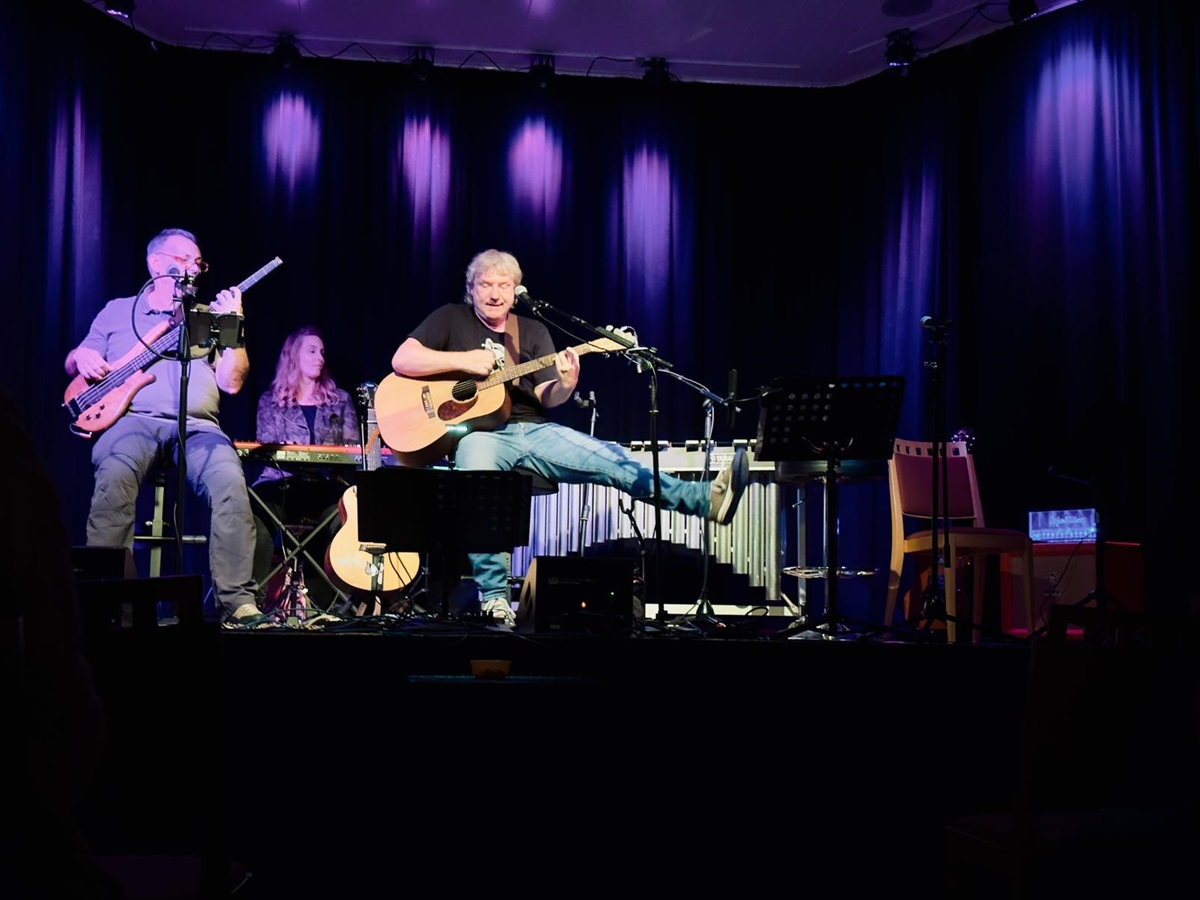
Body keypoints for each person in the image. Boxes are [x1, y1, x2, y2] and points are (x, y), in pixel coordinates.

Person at [390, 248, 749, 626]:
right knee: (482, 484)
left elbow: (548, 396)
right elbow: (403, 360)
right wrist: (464, 361)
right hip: (482, 434)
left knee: (612, 460)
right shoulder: (450, 318)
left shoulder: (532, 330)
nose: (495, 293)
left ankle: (705, 499)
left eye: (504, 285)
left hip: (535, 430)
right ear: (471, 289)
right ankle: (495, 599)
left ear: (516, 291)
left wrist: (565, 383)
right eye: (485, 284)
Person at [65, 227, 266, 627]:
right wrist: (82, 355)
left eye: (198, 263)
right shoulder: (118, 310)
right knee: (115, 475)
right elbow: (76, 361)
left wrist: (235, 325)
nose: (193, 268)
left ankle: (237, 602)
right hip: (132, 420)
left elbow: (232, 382)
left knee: (230, 482)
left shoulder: (208, 316)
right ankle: (107, 606)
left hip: (199, 428)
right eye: (183, 260)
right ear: (155, 264)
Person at [251, 325, 359, 611]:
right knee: (254, 515)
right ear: (293, 356)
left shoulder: (341, 400)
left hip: (325, 487)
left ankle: (340, 605)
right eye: (311, 351)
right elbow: (266, 448)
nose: (319, 357)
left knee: (349, 518)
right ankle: (252, 602)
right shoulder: (270, 401)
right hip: (281, 484)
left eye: (322, 352)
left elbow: (352, 450)